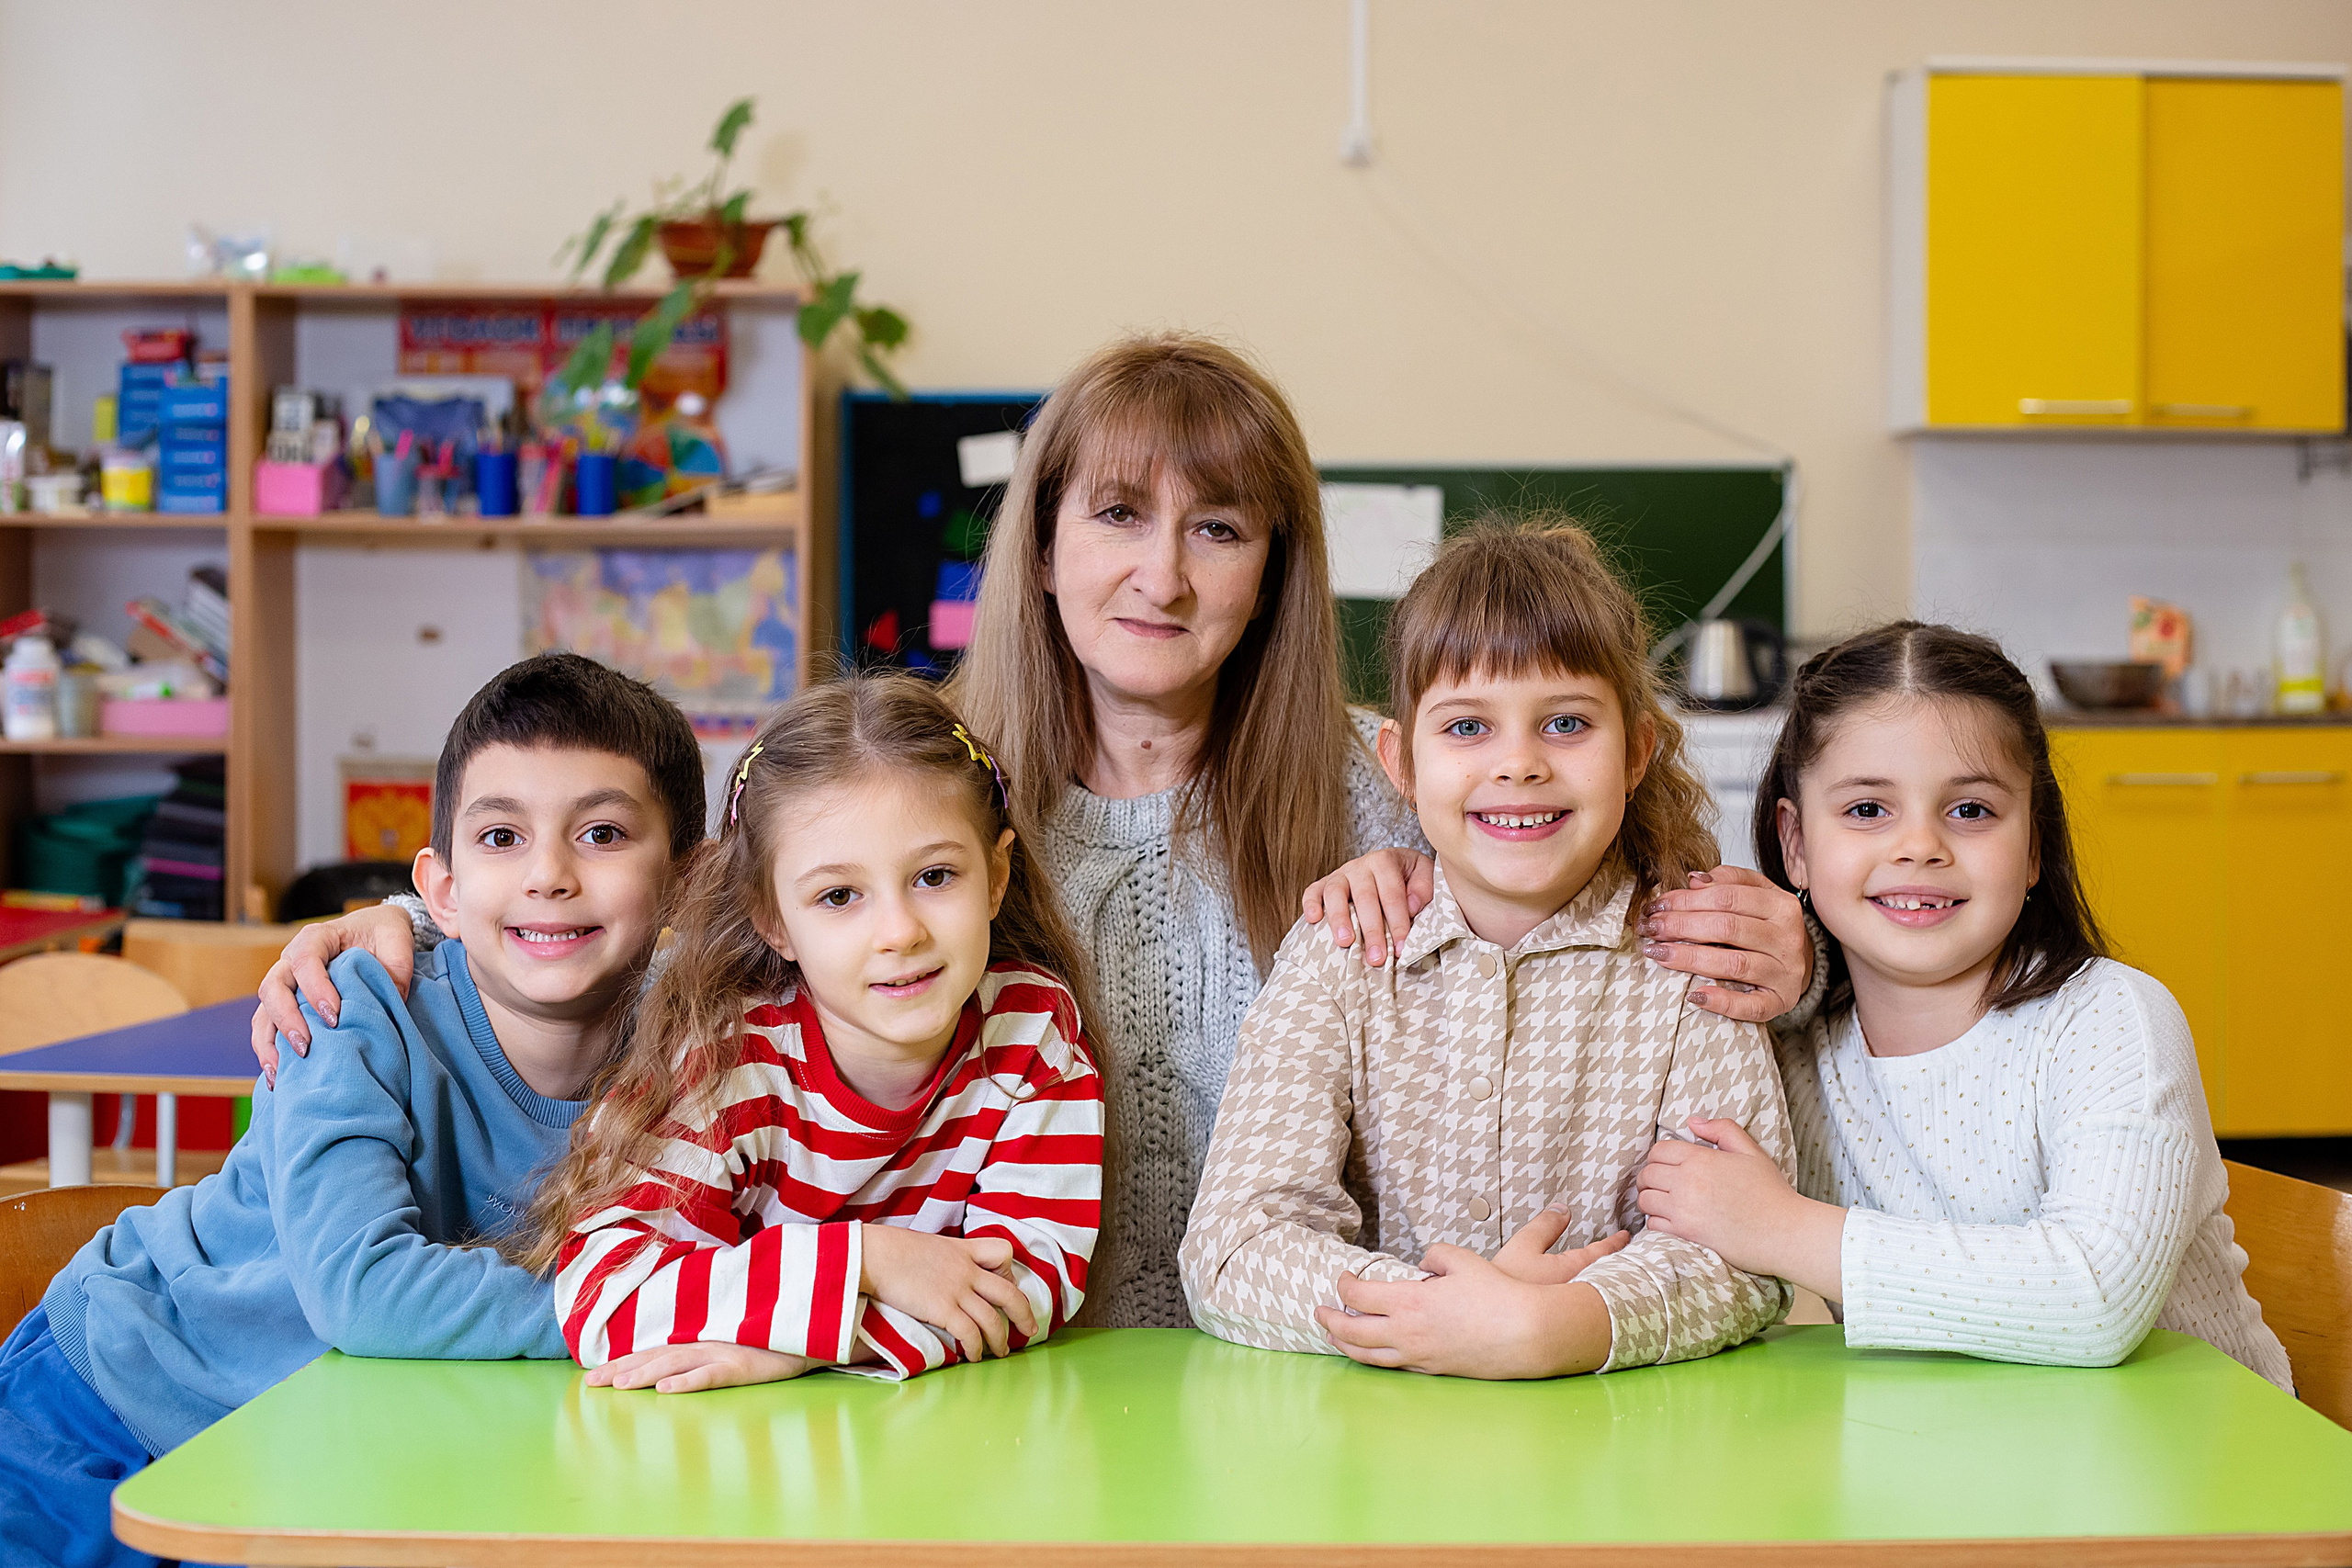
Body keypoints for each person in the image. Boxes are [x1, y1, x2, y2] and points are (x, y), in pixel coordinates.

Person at [253, 333, 1815, 1328]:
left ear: (1274, 568)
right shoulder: (914, 789)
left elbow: (1602, 934)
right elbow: (665, 938)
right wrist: (407, 930)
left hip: (1313, 1373)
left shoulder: (1397, 781)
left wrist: (1801, 957)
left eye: (1219, 527)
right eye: (1119, 515)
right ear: (1046, 542)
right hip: (969, 1371)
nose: (1163, 573)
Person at [0, 652, 705, 1568]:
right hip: (109, 1404)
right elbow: (363, 1291)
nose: (549, 874)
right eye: (501, 837)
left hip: (323, 1445)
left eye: (602, 833)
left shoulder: (705, 1049)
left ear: (690, 881)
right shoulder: (351, 1007)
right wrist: (685, 1306)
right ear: (443, 889)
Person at [1182, 518, 1792, 1378]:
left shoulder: (1690, 957)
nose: (1519, 763)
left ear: (1635, 752)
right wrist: (1443, 1313)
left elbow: (1746, 1255)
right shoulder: (1339, 954)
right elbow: (1233, 1248)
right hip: (1379, 1442)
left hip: (1621, 1440)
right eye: (1468, 727)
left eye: (1566, 722)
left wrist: (1558, 1325)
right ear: (1400, 761)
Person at [1630, 622, 2291, 1387]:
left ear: (2034, 844)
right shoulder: (1789, 1046)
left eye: (1971, 810)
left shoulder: (2112, 1020)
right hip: (1958, 1447)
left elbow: (2096, 1296)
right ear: (1796, 842)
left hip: (2198, 1451)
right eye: (1867, 809)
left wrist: (1781, 1228)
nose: (1920, 845)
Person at [533, 676, 1105, 1391]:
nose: (899, 931)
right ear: (773, 920)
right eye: (839, 895)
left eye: (935, 876)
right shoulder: (729, 1060)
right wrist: (867, 1261)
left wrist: (803, 1347)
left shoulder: (1032, 1034)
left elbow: (1024, 1285)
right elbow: (603, 1296)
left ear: (994, 876)